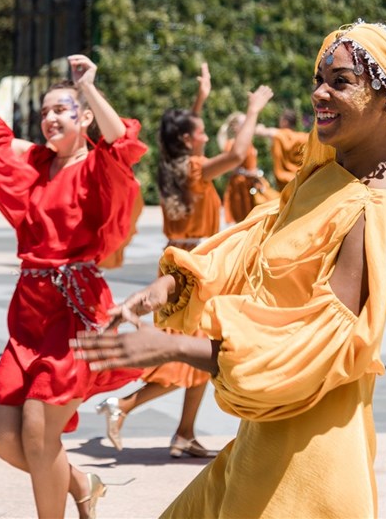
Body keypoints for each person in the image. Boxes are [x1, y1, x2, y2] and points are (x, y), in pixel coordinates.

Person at [73, 21, 386, 517]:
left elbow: (321, 343)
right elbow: (255, 239)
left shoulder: (377, 208)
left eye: (340, 81)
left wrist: (171, 346)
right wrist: (167, 285)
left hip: (307, 454)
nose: (319, 92)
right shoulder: (324, 176)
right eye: (319, 78)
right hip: (267, 436)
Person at [0, 46, 147, 519]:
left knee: (38, 429)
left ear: (84, 117)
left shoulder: (98, 167)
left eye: (61, 110)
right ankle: (81, 482)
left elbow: (122, 145)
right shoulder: (33, 165)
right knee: (2, 435)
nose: (50, 119)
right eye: (45, 112)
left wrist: (88, 85)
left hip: (75, 311)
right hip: (29, 312)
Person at [95, 63, 273, 459]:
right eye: (201, 131)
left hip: (181, 264)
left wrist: (200, 98)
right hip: (192, 271)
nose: (206, 135)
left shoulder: (175, 164)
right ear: (188, 140)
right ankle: (122, 406)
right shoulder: (195, 170)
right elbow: (238, 154)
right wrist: (253, 109)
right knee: (188, 358)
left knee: (201, 353)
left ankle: (184, 433)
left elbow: (192, 135)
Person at [218, 111, 279, 224]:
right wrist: (249, 173)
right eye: (244, 123)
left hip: (252, 183)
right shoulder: (232, 144)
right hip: (240, 187)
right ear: (235, 127)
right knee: (244, 220)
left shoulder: (249, 142)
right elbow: (231, 167)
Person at [256, 108, 308, 190]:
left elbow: (260, 131)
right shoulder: (303, 137)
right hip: (301, 180)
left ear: (285, 122)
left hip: (285, 183)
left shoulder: (279, 135)